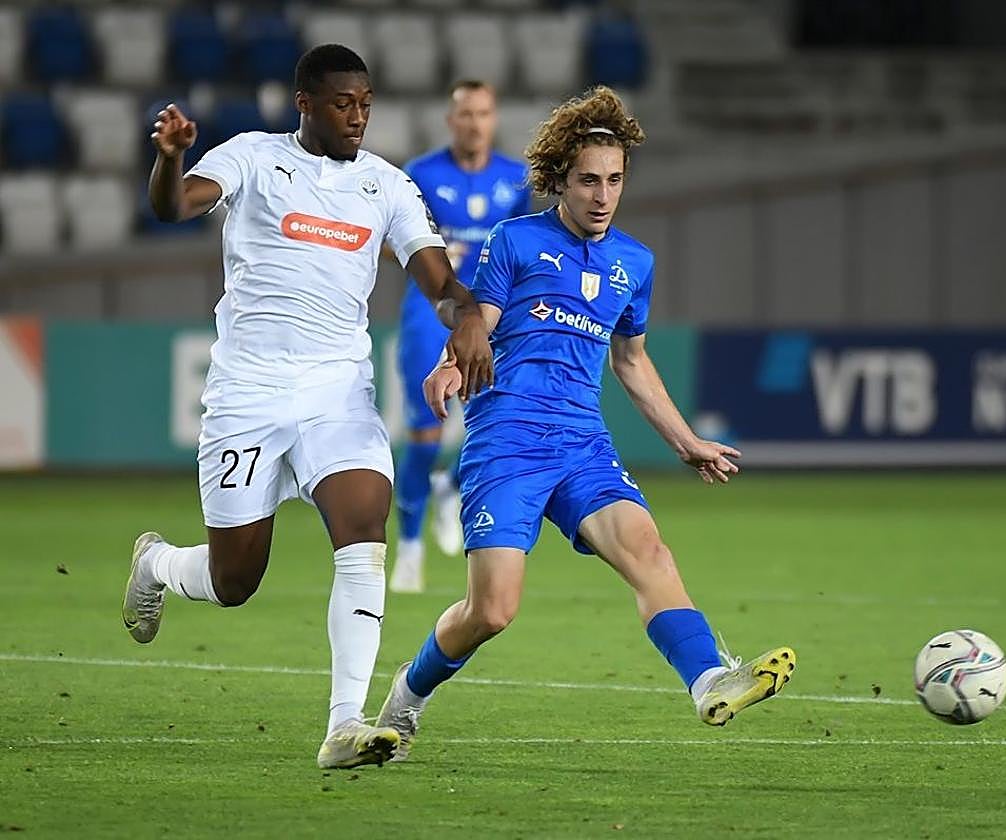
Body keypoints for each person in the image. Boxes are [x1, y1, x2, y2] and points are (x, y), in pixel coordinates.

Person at [374, 87, 795, 761]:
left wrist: (684, 442)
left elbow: (631, 359)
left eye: (615, 181)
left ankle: (710, 679)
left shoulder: (635, 262)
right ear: (560, 181)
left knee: (650, 553)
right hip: (506, 441)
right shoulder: (515, 240)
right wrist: (455, 360)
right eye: (589, 181)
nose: (603, 195)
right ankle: (409, 693)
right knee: (492, 612)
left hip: (581, 445)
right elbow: (475, 316)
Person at [119, 44, 492, 770]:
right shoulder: (253, 157)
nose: (357, 116)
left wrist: (469, 314)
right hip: (247, 395)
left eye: (365, 103)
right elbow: (172, 206)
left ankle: (345, 725)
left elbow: (437, 277)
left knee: (364, 528)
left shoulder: (387, 185)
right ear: (305, 104)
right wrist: (168, 158)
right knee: (235, 582)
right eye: (342, 103)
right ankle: (158, 564)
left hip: (336, 394)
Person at [391, 80, 532, 594]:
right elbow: (391, 240)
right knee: (425, 434)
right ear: (451, 121)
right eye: (465, 114)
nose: (474, 123)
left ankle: (450, 488)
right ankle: (409, 547)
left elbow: (524, 246)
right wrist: (429, 256)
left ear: (493, 120)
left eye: (483, 113)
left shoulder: (516, 180)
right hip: (432, 311)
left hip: (492, 314)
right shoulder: (421, 174)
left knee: (491, 428)